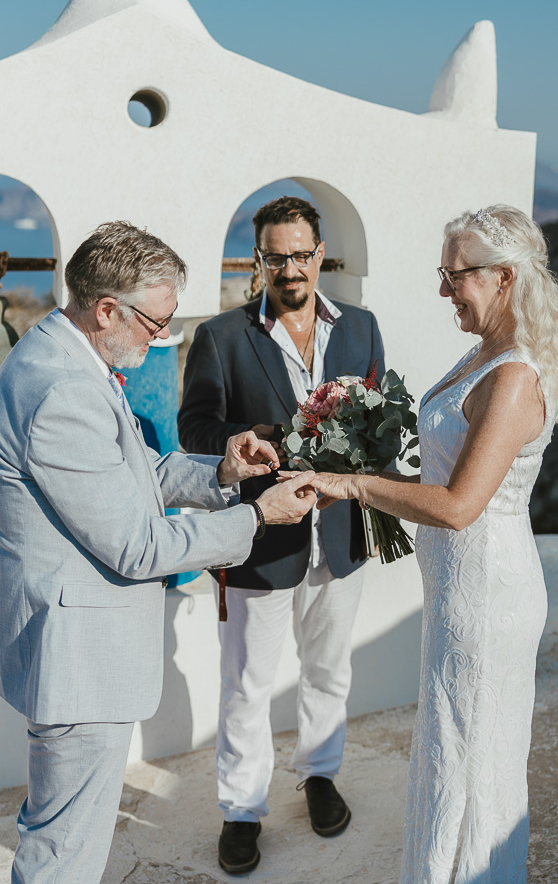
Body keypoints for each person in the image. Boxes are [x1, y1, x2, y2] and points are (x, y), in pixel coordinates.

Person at [0, 221, 316, 884]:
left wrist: (222, 471)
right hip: (79, 661)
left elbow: (136, 472)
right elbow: (137, 545)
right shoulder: (65, 392)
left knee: (58, 833)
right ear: (107, 309)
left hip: (72, 647)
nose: (161, 337)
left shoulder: (67, 357)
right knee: (62, 856)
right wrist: (256, 515)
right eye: (155, 323)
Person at [302, 205, 558, 882]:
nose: (441, 290)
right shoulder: (481, 352)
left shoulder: (513, 377)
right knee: (448, 752)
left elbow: (458, 507)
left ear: (503, 278)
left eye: (453, 275)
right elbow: (440, 477)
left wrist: (358, 487)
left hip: (486, 597)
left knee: (472, 763)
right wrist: (355, 463)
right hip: (456, 590)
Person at [178, 196, 385, 873]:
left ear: (319, 254)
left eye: (300, 254)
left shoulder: (360, 327)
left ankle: (319, 776)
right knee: (246, 682)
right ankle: (241, 811)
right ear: (258, 259)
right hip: (260, 537)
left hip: (340, 533)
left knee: (328, 669)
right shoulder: (221, 337)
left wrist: (372, 488)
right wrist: (252, 437)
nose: (289, 267)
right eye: (275, 255)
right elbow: (195, 428)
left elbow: (380, 419)